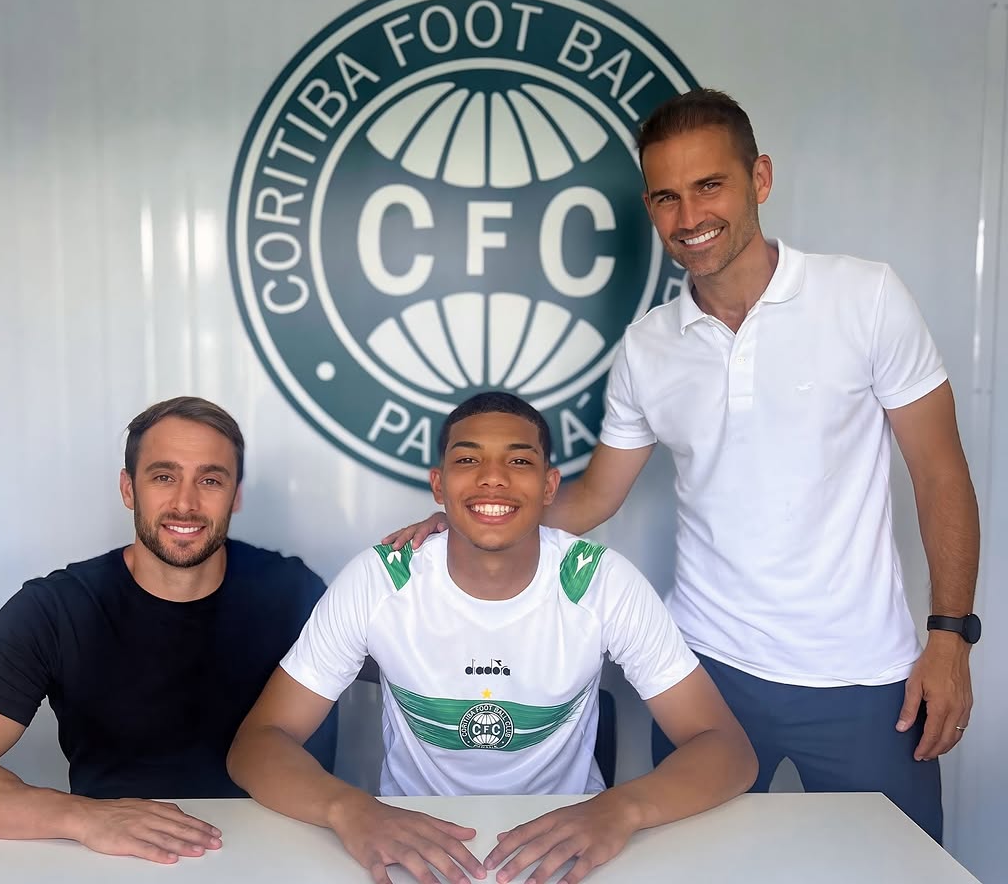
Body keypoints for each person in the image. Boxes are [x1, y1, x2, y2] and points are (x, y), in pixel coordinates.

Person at [387, 89, 980, 843]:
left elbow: (941, 474)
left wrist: (951, 638)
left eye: (710, 186)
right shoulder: (648, 345)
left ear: (759, 179)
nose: (689, 216)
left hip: (867, 678)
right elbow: (599, 493)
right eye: (666, 197)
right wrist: (470, 522)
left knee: (897, 869)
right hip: (707, 674)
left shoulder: (865, 296)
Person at [228, 392, 756, 884]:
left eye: (520, 461)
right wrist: (352, 810)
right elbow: (258, 743)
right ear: (439, 485)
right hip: (411, 850)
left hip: (571, 850)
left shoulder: (600, 581)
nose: (493, 479)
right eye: (468, 460)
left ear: (549, 486)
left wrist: (621, 808)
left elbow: (726, 749)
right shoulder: (380, 577)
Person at [0, 396, 335, 863]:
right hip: (117, 862)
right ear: (128, 489)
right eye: (163, 476)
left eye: (210, 480)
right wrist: (83, 817)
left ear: (236, 494)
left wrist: (440, 535)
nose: (185, 502)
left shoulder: (296, 593)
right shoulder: (56, 608)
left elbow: (413, 630)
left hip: (286, 856)